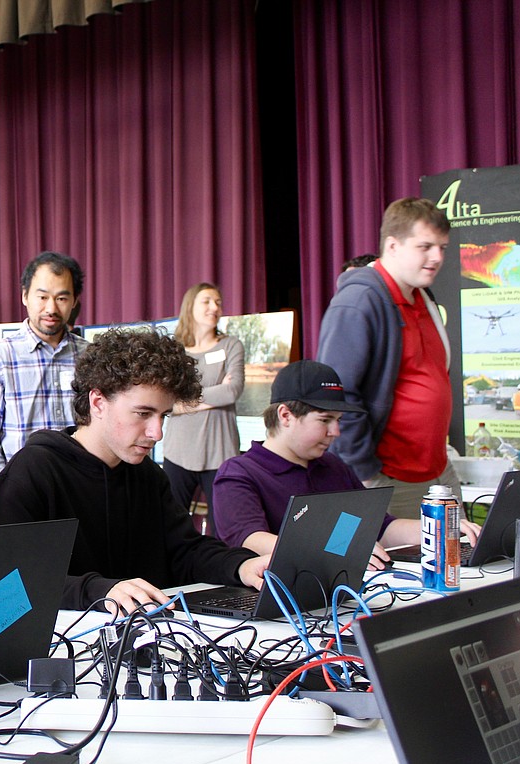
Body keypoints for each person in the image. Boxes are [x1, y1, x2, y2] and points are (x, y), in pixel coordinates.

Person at [0, 327, 266, 616]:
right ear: (98, 403)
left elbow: (185, 551)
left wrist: (241, 565)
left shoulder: (149, 477)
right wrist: (99, 591)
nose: (157, 433)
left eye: (163, 416)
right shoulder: (33, 472)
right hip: (58, 649)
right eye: (143, 414)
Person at [213, 360, 481, 570]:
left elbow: (379, 528)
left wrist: (437, 528)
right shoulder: (239, 474)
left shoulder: (333, 467)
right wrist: (340, 552)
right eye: (325, 420)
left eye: (339, 420)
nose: (336, 431)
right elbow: (250, 539)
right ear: (286, 415)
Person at [317, 198, 463, 519]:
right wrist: (366, 474)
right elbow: (336, 393)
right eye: (425, 246)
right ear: (393, 246)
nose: (437, 257)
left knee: (457, 563)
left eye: (442, 247)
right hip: (387, 478)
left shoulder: (422, 294)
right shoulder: (360, 301)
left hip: (438, 471)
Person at [0, 252, 88, 492]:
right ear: (25, 296)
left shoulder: (91, 357)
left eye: (62, 298)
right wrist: (1, 490)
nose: (51, 308)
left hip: (80, 487)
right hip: (21, 490)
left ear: (74, 301)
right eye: (42, 297)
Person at [160, 283, 244, 535]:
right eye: (207, 301)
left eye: (218, 302)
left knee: (223, 529)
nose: (214, 307)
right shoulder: (174, 349)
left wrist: (184, 402)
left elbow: (233, 390)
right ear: (190, 306)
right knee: (171, 527)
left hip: (221, 451)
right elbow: (167, 401)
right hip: (179, 453)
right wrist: (214, 395)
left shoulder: (231, 345)